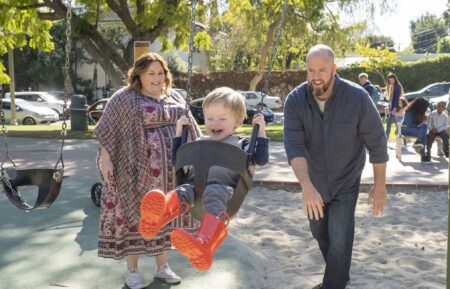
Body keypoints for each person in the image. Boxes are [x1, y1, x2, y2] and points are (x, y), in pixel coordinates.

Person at [283, 44, 388, 289]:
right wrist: (307, 187)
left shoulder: (357, 97)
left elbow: (377, 143)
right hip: (314, 179)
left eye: (322, 70)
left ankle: (334, 283)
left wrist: (379, 185)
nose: (316, 77)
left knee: (340, 238)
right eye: (310, 71)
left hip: (346, 179)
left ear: (334, 69)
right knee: (320, 231)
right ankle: (339, 274)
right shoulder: (295, 101)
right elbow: (294, 148)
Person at [94, 52, 200, 289]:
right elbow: (107, 130)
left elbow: (192, 129)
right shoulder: (124, 98)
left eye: (160, 73)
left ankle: (162, 267)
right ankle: (132, 270)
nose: (157, 78)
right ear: (139, 75)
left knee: (164, 215)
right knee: (137, 216)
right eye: (151, 73)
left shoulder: (174, 96)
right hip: (133, 172)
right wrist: (106, 159)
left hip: (170, 174)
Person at [139, 87, 269, 271]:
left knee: (213, 191)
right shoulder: (200, 141)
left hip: (226, 193)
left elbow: (261, 159)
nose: (215, 123)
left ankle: (204, 243)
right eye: (210, 118)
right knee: (182, 191)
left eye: (222, 119)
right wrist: (179, 132)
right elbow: (177, 159)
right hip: (195, 188)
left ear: (238, 121)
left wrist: (261, 131)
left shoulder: (243, 144)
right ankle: (158, 217)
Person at [399, 97, 429, 161]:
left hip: (414, 129)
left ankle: (418, 143)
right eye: (425, 107)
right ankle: (423, 153)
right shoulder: (409, 111)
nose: (425, 109)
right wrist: (421, 123)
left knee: (424, 126)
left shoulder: (419, 112)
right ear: (420, 106)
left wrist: (424, 121)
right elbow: (410, 125)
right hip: (405, 129)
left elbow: (419, 125)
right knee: (423, 133)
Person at [385, 72, 404, 138]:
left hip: (396, 110)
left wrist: (395, 108)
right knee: (389, 125)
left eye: (392, 80)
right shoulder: (391, 86)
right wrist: (389, 106)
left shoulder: (397, 86)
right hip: (392, 110)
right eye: (389, 80)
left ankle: (402, 141)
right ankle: (385, 140)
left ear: (395, 79)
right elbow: (391, 99)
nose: (391, 81)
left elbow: (397, 98)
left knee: (398, 127)